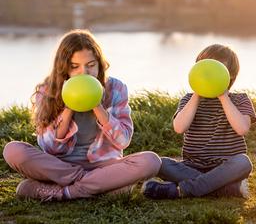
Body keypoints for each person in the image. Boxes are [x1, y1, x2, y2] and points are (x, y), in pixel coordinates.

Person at [2, 29, 161, 201]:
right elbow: (50, 148)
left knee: (151, 161)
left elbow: (123, 140)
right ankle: (100, 186)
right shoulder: (48, 91)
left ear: (100, 65)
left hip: (104, 165)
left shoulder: (116, 89)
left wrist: (97, 106)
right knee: (13, 150)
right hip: (60, 166)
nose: (84, 73)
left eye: (90, 65)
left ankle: (65, 192)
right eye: (74, 67)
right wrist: (69, 107)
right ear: (64, 68)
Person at [142, 44, 256, 199]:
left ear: (231, 75)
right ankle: (226, 189)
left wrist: (223, 96)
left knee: (243, 162)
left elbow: (242, 128)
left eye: (217, 69)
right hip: (192, 165)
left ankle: (180, 190)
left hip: (226, 167)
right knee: (159, 163)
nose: (210, 74)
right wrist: (197, 93)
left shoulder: (240, 99)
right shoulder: (189, 99)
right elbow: (179, 127)